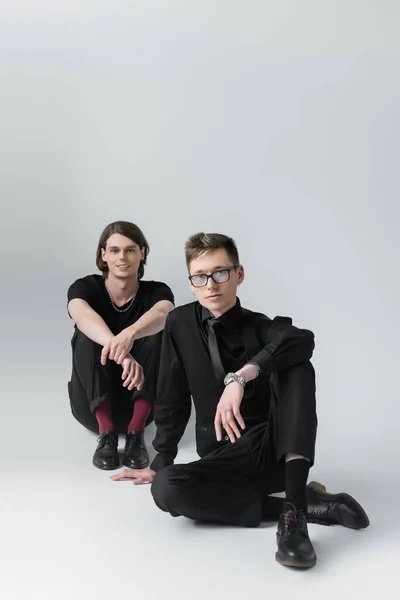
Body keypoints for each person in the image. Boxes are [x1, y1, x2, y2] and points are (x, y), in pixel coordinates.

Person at [111, 232, 369, 569]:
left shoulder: (260, 326)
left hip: (273, 451)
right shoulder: (179, 323)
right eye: (200, 277)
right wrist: (162, 459)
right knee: (166, 489)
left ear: (239, 275)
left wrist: (240, 376)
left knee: (297, 366)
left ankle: (293, 523)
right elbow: (171, 394)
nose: (211, 285)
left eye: (221, 273)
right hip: (222, 456)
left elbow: (302, 340)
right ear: (191, 283)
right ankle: (309, 506)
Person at [67, 220, 174, 470]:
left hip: (141, 408)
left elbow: (164, 312)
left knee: (160, 333)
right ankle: (106, 436)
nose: (122, 257)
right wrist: (124, 354)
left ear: (142, 253)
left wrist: (130, 333)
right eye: (114, 250)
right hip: (92, 406)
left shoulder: (157, 291)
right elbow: (80, 314)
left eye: (130, 249)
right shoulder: (85, 287)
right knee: (87, 335)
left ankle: (136, 436)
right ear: (103, 255)